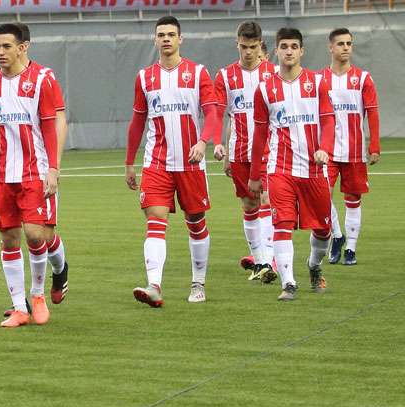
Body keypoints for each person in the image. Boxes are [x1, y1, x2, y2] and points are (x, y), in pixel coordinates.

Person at [0, 23, 66, 328]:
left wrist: (53, 168)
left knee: (37, 235)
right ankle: (19, 306)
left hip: (34, 170)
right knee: (9, 238)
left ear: (23, 47)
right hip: (0, 173)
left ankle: (37, 296)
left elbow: (50, 125)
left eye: (6, 46)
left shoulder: (42, 80)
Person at [125, 16, 222, 307]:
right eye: (161, 35)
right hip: (157, 162)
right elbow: (137, 121)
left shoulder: (199, 73)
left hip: (191, 163)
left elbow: (213, 112)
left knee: (195, 221)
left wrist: (203, 141)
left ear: (181, 39)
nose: (166, 39)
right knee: (155, 219)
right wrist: (130, 162)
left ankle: (198, 282)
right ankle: (154, 284)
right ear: (155, 40)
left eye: (171, 34)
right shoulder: (145, 77)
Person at [248, 28, 335, 301]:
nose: (288, 51)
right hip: (279, 169)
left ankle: (314, 265)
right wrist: (254, 174)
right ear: (276, 51)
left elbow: (329, 120)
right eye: (283, 46)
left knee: (323, 229)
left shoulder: (318, 82)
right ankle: (288, 283)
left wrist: (325, 148)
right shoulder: (264, 88)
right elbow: (260, 133)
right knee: (281, 223)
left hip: (313, 168)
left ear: (301, 51)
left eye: (294, 46)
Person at [212, 21, 279, 283]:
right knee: (249, 204)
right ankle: (260, 261)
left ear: (260, 45)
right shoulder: (226, 76)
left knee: (266, 200)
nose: (248, 52)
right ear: (236, 44)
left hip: (270, 150)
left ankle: (269, 260)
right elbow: (219, 112)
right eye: (243, 47)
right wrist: (220, 145)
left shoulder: (273, 73)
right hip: (240, 150)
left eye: (253, 47)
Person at [322, 28, 379, 266]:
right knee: (321, 196)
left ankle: (351, 250)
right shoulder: (319, 80)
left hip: (355, 150)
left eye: (349, 43)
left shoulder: (363, 78)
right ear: (331, 47)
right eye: (341, 44)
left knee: (353, 199)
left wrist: (374, 144)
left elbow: (373, 112)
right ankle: (337, 236)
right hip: (327, 150)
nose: (346, 47)